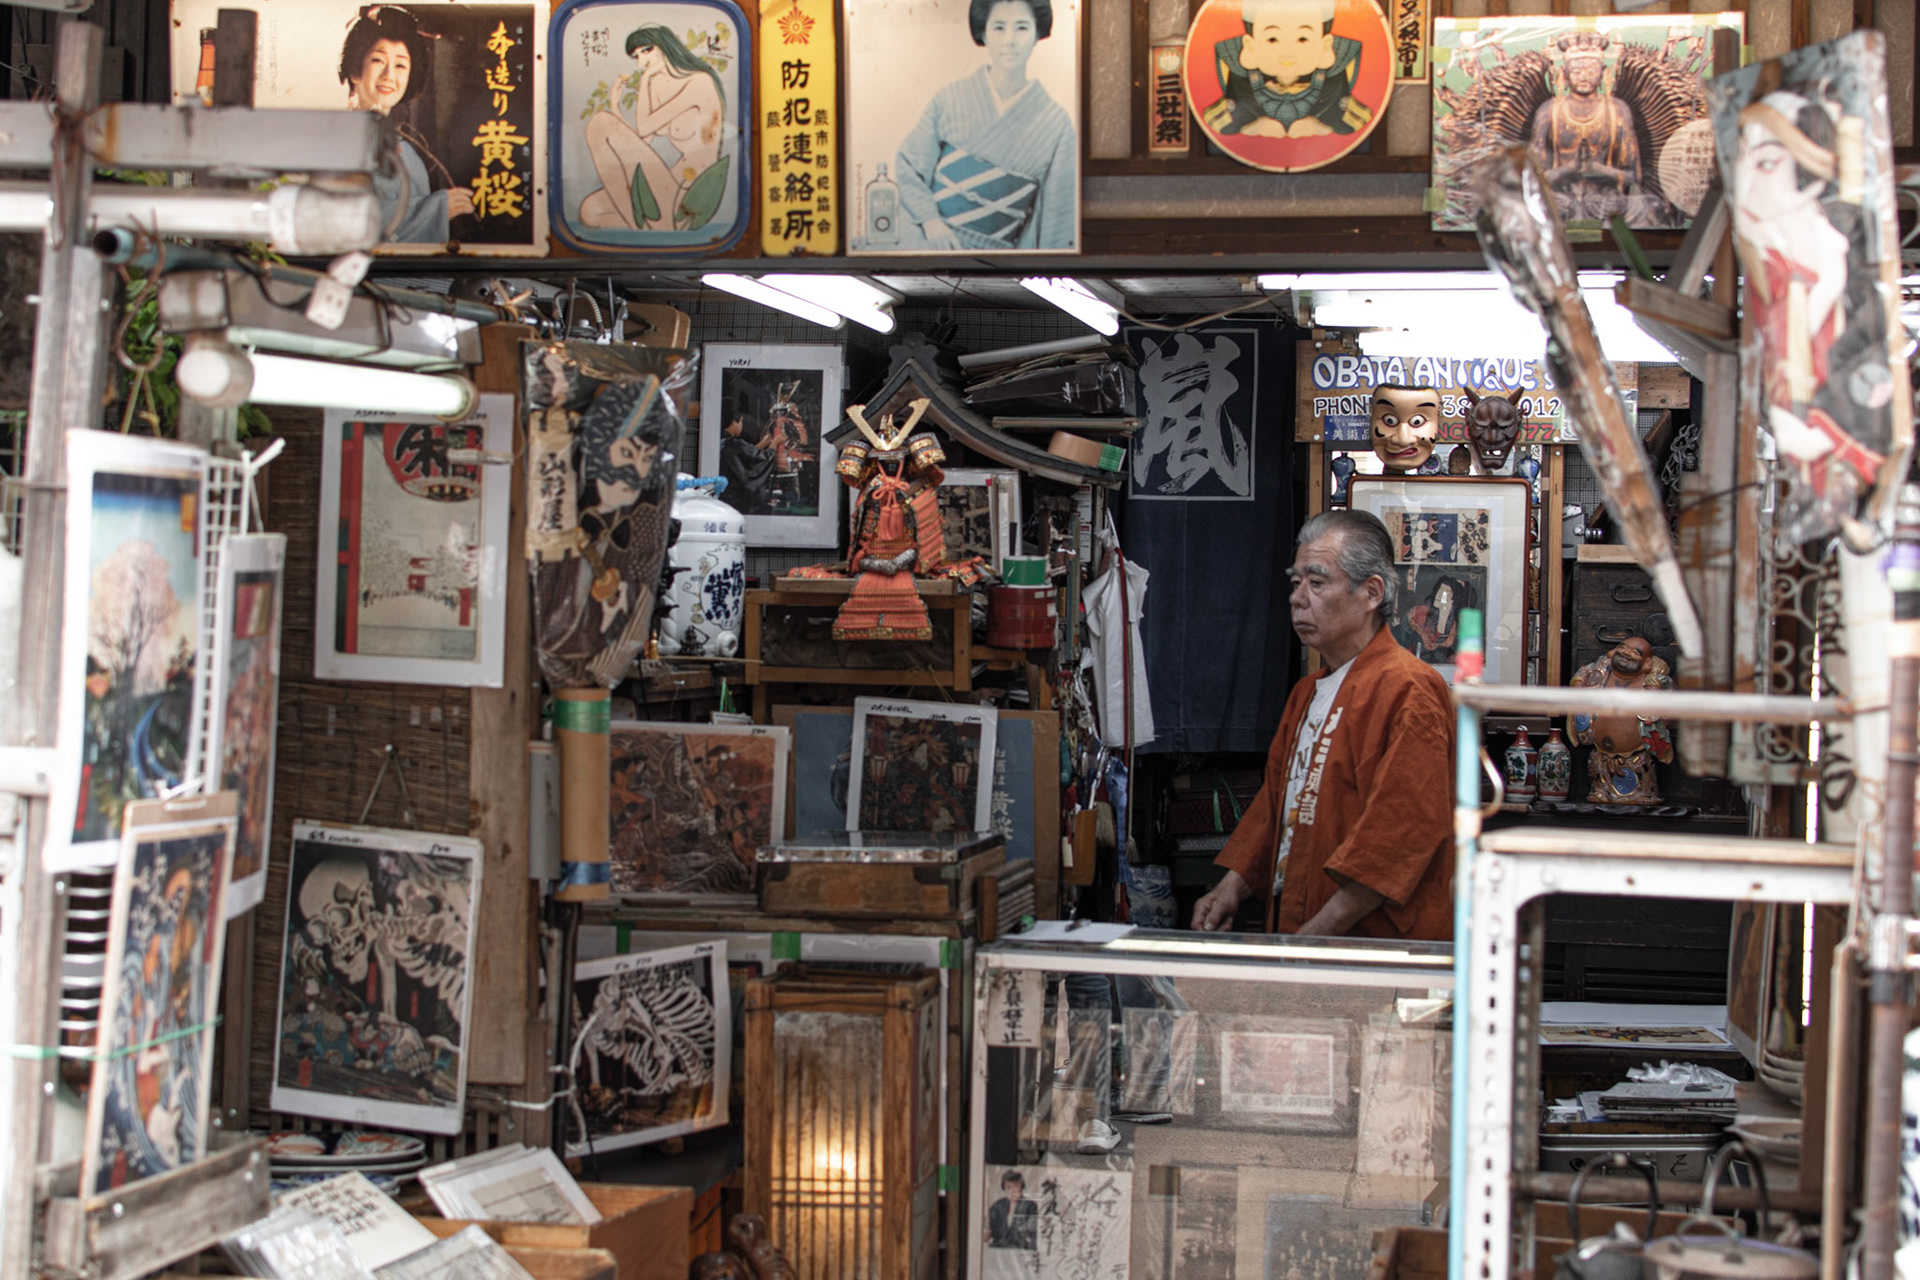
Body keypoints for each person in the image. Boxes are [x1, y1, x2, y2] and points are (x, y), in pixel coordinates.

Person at [1190, 510, 1454, 940]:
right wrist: (1229, 888)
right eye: (1296, 583)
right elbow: (1275, 806)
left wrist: (1318, 934)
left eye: (1317, 583)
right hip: (1308, 928)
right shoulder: (1307, 691)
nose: (1297, 598)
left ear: (1371, 593)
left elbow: (1404, 830)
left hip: (1372, 942)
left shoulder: (1409, 688)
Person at [893, 0, 1077, 250]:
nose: (1010, 40)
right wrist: (931, 222)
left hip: (1000, 258)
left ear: (1037, 33)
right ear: (983, 32)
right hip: (930, 242)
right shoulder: (950, 97)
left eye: (1022, 28)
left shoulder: (1056, 124)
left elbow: (1058, 214)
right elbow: (909, 166)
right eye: (999, 28)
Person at [339, 6, 473, 244]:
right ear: (354, 71)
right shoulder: (336, 137)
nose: (390, 75)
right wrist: (439, 210)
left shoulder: (407, 148)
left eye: (401, 65)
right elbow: (344, 217)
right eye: (378, 60)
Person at [580, 26, 730, 233]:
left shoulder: (700, 82)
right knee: (590, 211)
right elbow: (641, 142)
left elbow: (644, 126)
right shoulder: (657, 84)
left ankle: (643, 224)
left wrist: (645, 79)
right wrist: (616, 106)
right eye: (636, 56)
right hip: (669, 183)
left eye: (647, 50)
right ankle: (649, 224)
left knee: (600, 123)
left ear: (665, 45)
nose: (642, 61)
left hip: (690, 190)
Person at [1204, 0, 1371, 140]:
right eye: (1272, 39)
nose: (1287, 53)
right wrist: (1253, 127)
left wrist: (1318, 127)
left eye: (1302, 39)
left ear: (1325, 46)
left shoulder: (1335, 71)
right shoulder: (1238, 70)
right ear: (1250, 47)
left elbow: (1348, 122)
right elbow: (1224, 123)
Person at [1527, 33, 1642, 224]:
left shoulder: (1617, 109)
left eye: (1591, 70)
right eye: (1577, 71)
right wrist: (1570, 169)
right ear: (1563, 73)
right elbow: (1532, 176)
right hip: (1561, 200)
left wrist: (1598, 169)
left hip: (1605, 200)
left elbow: (1633, 175)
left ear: (1604, 72)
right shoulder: (1549, 110)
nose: (1584, 77)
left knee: (1652, 205)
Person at [986, 1169, 1038, 1249]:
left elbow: (1033, 1235)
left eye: (1016, 1186)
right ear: (1004, 1189)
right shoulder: (997, 1206)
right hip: (999, 1251)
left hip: (1020, 1252)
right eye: (1008, 1187)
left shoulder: (1030, 1206)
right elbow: (990, 1230)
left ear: (1021, 1187)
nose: (1012, 1191)